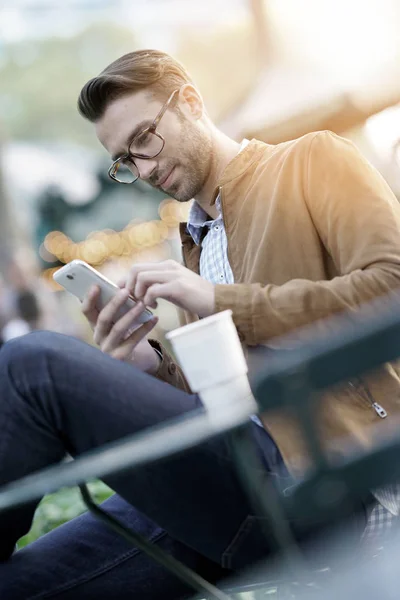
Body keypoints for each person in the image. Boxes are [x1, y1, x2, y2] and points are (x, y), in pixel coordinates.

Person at [1, 49, 400, 599]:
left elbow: (391, 288)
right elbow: (217, 397)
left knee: (33, 365)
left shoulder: (313, 160)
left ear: (189, 100)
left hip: (328, 479)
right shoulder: (196, 242)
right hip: (235, 489)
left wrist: (218, 298)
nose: (142, 169)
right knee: (20, 584)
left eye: (144, 138)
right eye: (125, 161)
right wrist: (149, 365)